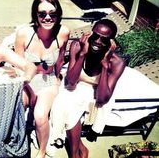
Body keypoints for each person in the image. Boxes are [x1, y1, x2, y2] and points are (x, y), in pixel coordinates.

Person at [51, 19, 126, 158]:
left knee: (71, 105)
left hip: (99, 90)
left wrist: (104, 64)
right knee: (66, 102)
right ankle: (78, 151)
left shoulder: (117, 62)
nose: (98, 41)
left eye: (104, 39)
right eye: (95, 35)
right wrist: (82, 54)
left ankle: (76, 153)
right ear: (90, 34)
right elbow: (71, 81)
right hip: (76, 85)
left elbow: (103, 98)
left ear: (111, 42)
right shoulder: (77, 46)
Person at [14, 0, 70, 158]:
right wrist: (27, 88)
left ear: (58, 14)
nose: (48, 18)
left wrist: (58, 80)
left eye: (52, 14)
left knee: (39, 116)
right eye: (42, 14)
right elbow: (18, 64)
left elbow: (60, 59)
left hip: (48, 82)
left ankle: (42, 151)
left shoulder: (63, 32)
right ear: (35, 15)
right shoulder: (24, 33)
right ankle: (14, 145)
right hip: (27, 80)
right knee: (15, 110)